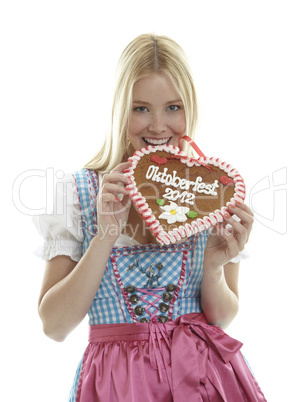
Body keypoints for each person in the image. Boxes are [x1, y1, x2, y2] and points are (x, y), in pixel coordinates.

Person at [34, 33, 266, 401]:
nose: (158, 126)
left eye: (173, 108)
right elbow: (54, 327)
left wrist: (212, 266)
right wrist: (104, 235)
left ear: (191, 108)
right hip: (115, 384)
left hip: (204, 379)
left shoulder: (211, 192)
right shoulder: (79, 193)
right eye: (140, 108)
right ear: (118, 110)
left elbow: (221, 319)